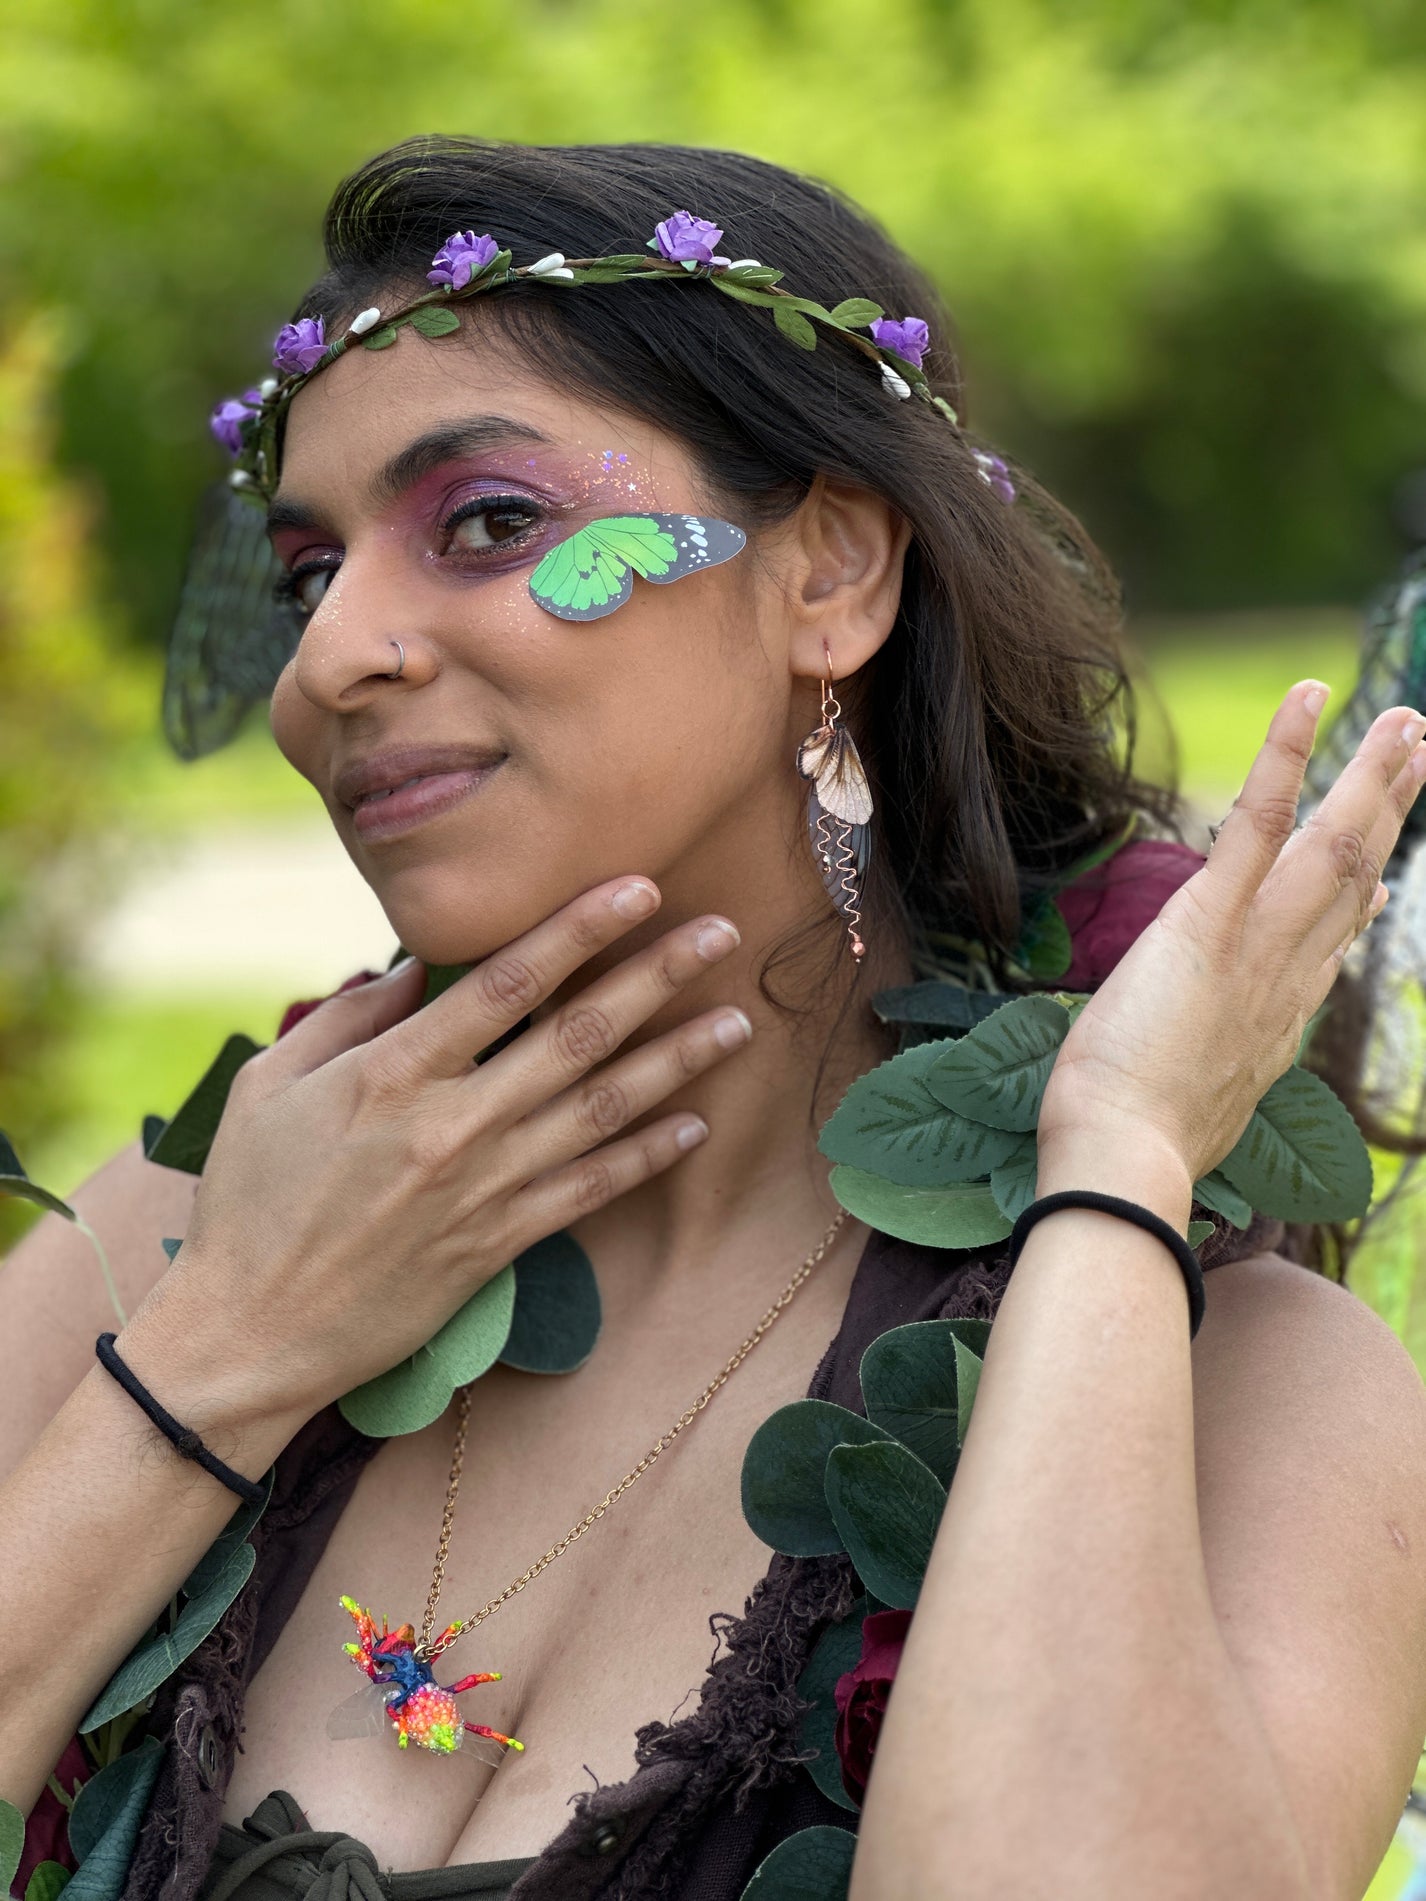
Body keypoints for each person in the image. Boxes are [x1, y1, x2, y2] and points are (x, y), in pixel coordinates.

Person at [2, 135, 1425, 1901]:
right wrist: (224, 1353)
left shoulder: (1252, 1390)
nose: (326, 660)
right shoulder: (162, 1253)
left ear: (830, 574)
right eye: (308, 572)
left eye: (491, 523)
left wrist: (1117, 1168)